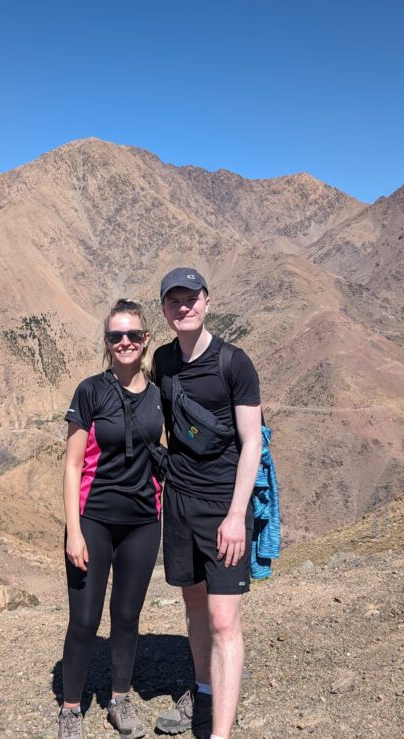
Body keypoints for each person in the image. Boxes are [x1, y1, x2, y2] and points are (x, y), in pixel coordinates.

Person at [151, 268, 262, 739]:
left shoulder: (234, 363)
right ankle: (203, 691)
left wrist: (237, 515)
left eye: (191, 298)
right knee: (194, 606)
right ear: (164, 309)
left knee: (223, 618)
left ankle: (219, 735)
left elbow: (251, 441)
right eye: (174, 300)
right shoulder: (162, 361)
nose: (184, 307)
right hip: (179, 502)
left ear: (208, 301)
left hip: (223, 505)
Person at [58, 299, 165, 739]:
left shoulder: (161, 394)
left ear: (146, 340)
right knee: (84, 620)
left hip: (143, 522)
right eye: (115, 336)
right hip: (94, 520)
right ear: (106, 343)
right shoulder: (90, 391)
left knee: (126, 616)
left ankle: (119, 701)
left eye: (133, 335)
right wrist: (74, 531)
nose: (125, 342)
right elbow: (71, 464)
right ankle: (69, 709)